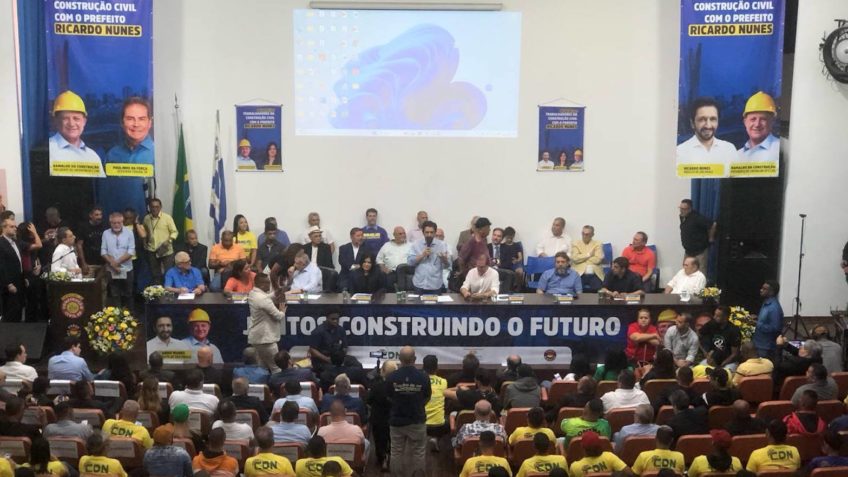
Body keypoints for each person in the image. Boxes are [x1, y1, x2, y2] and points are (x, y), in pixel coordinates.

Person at [100, 97, 154, 216]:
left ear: (150, 123)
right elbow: (105, 196)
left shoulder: (156, 154)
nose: (136, 124)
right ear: (122, 122)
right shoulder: (111, 155)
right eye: (130, 119)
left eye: (142, 119)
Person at [386, 345, 431, 477]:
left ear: (399, 359)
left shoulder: (391, 377)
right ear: (415, 359)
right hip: (417, 419)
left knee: (396, 452)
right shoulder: (423, 377)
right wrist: (417, 404)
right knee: (418, 452)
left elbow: (388, 397)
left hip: (396, 420)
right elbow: (427, 397)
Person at [48, 90, 105, 177]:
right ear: (56, 121)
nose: (71, 123)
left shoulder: (93, 157)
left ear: (84, 122)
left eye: (76, 118)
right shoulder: (48, 151)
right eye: (65, 118)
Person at [676, 97, 737, 174]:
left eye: (713, 119)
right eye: (702, 119)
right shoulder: (680, 152)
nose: (708, 125)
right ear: (692, 123)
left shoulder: (729, 149)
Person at [246, 273, 286, 374]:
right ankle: (277, 388)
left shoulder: (252, 294)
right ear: (262, 284)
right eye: (268, 283)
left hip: (256, 338)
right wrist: (282, 311)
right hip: (266, 340)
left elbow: (264, 298)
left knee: (262, 368)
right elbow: (278, 316)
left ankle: (264, 387)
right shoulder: (263, 299)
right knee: (276, 368)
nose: (270, 285)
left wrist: (275, 293)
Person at [100, 211, 135, 309]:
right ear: (110, 223)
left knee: (128, 294)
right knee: (115, 294)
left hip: (127, 268)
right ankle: (117, 317)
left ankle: (130, 317)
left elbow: (131, 251)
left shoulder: (129, 232)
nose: (116, 225)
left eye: (119, 222)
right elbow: (103, 251)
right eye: (114, 223)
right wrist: (113, 265)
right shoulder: (106, 233)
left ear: (122, 222)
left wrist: (117, 262)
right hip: (111, 269)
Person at [369, 360, 399, 471]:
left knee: (378, 439)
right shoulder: (399, 387)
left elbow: (369, 400)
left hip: (378, 418)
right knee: (393, 439)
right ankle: (390, 456)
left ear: (383, 371)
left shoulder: (376, 385)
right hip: (394, 418)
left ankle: (381, 458)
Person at [408, 220, 450, 294]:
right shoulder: (416, 244)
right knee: (418, 305)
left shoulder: (442, 245)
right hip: (419, 284)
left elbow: (447, 266)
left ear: (435, 232)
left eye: (431, 232)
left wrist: (444, 259)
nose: (429, 235)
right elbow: (410, 262)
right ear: (423, 232)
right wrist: (422, 255)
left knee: (435, 305)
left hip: (435, 285)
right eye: (427, 232)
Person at [143, 198, 178, 285]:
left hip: (166, 250)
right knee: (155, 275)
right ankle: (158, 294)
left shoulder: (167, 218)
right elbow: (144, 232)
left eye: (157, 206)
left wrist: (169, 240)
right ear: (149, 207)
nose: (154, 208)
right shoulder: (146, 218)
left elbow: (175, 232)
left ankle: (169, 293)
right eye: (152, 207)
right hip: (152, 250)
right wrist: (144, 243)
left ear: (160, 207)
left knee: (168, 274)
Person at [737, 91, 780, 162]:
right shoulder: (737, 155)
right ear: (745, 122)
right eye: (753, 119)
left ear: (772, 121)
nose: (757, 124)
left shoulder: (779, 150)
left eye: (763, 119)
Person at [698, 305, 742, 372]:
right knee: (699, 371)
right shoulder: (711, 324)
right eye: (714, 314)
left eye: (718, 316)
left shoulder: (734, 331)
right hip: (712, 360)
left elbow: (734, 354)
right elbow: (697, 336)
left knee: (724, 375)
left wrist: (721, 366)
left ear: (725, 317)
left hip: (728, 363)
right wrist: (706, 353)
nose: (714, 317)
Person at [0, 218, 26, 322]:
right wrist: (8, 284)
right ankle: (9, 336)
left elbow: (18, 262)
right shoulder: (1, 243)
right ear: (3, 228)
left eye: (15, 226)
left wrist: (24, 277)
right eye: (11, 226)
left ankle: (17, 335)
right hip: (9, 284)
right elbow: (1, 266)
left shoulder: (15, 242)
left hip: (19, 280)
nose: (15, 229)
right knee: (10, 312)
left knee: (18, 310)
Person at [678, 199, 716, 269]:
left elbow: (713, 224)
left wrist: (711, 238)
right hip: (688, 251)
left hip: (699, 251)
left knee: (700, 273)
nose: (681, 211)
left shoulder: (697, 218)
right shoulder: (682, 217)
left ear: (690, 209)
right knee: (685, 271)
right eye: (680, 208)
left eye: (683, 209)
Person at [752, 280, 784, 358]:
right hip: (759, 343)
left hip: (766, 347)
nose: (761, 290)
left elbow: (775, 328)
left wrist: (756, 324)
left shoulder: (774, 308)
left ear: (771, 292)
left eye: (764, 289)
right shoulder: (766, 303)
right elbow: (767, 320)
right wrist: (757, 317)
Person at [75, 206, 107, 273]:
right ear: (90, 215)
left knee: (103, 283)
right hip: (89, 263)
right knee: (88, 282)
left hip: (103, 263)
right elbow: (79, 245)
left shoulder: (105, 226)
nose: (99, 217)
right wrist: (83, 263)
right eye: (97, 215)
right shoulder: (83, 227)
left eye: (101, 214)